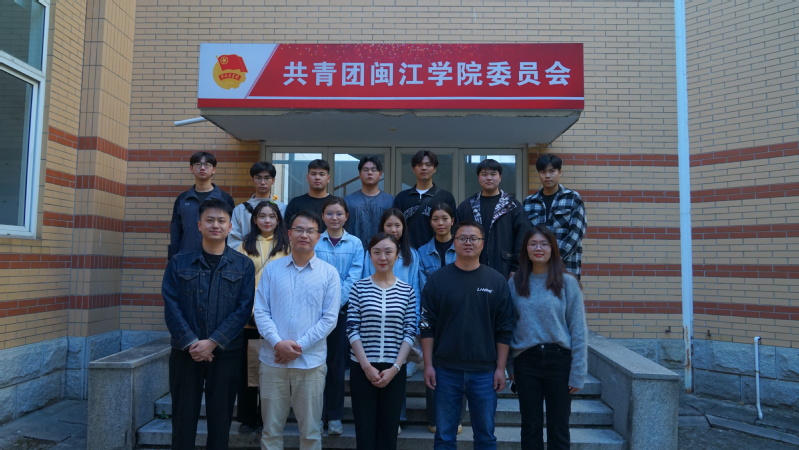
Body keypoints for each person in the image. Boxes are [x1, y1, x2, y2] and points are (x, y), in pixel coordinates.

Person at [162, 198, 255, 450]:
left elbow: (243, 309)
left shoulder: (243, 265)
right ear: (199, 225)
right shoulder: (179, 262)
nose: (216, 225)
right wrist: (193, 343)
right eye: (210, 220)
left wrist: (213, 342)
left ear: (230, 226)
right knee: (183, 418)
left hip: (226, 352)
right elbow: (171, 306)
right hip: (185, 352)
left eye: (221, 221)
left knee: (220, 419)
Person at [420, 220, 515, 450]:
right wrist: (428, 365)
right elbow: (427, 326)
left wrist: (500, 368)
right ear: (454, 242)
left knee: (485, 437)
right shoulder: (437, 280)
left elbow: (504, 329)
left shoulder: (496, 281)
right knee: (444, 437)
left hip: (484, 371)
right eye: (462, 238)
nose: (468, 243)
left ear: (483, 243)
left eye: (474, 238)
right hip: (445, 370)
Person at [253, 210, 341, 450]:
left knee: (311, 432)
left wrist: (297, 347)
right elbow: (261, 311)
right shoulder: (272, 270)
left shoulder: (329, 273)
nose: (304, 235)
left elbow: (329, 319)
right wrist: (277, 343)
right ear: (289, 234)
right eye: (299, 230)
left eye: (310, 231)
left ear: (318, 237)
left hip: (310, 363)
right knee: (270, 431)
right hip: (273, 361)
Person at [508, 224, 588, 450]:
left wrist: (578, 372)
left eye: (544, 243)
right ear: (525, 249)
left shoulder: (568, 282)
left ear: (553, 248)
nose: (538, 248)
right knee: (530, 425)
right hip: (526, 361)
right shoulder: (515, 283)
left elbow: (578, 329)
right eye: (533, 244)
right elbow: (509, 327)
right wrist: (510, 365)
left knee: (559, 426)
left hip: (560, 361)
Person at [347, 232, 417, 450]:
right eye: (376, 252)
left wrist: (396, 367)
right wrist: (366, 366)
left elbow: (409, 331)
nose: (382, 257)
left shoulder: (407, 291)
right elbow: (352, 328)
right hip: (362, 367)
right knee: (364, 431)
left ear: (397, 255)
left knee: (389, 431)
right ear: (370, 255)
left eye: (388, 252)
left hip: (394, 368)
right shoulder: (359, 288)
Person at [362, 208, 422, 431]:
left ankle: (396, 418)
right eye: (389, 225)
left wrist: (414, 321)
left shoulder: (411, 254)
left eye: (398, 225)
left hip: (400, 321)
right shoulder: (371, 252)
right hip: (373, 319)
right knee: (374, 369)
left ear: (404, 228)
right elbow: (364, 279)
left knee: (398, 368)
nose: (393, 229)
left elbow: (415, 287)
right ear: (382, 227)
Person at [234, 201, 291, 434]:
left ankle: (269, 419)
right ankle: (248, 419)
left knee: (274, 370)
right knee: (250, 371)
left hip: (278, 318)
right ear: (255, 220)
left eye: (272, 216)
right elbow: (238, 281)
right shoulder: (244, 245)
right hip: (250, 318)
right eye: (262, 216)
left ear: (278, 220)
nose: (267, 220)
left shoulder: (286, 246)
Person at [314, 196, 365, 436]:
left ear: (347, 217)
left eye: (339, 214)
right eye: (329, 213)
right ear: (322, 217)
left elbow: (355, 277)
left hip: (342, 313)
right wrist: (323, 306)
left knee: (335, 367)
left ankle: (334, 416)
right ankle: (315, 416)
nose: (334, 218)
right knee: (314, 364)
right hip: (314, 313)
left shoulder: (355, 244)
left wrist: (334, 305)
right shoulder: (314, 240)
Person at [416, 202, 464, 434]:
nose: (440, 223)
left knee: (459, 367)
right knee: (433, 366)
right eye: (436, 219)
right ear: (430, 223)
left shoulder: (462, 246)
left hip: (460, 316)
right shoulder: (421, 252)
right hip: (433, 317)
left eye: (445, 218)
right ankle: (434, 418)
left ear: (452, 221)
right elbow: (422, 288)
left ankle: (457, 417)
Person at [457, 159, 531, 279]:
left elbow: (523, 238)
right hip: (470, 268)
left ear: (500, 177)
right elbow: (456, 238)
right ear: (478, 177)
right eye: (484, 174)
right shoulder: (467, 206)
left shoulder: (512, 206)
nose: (489, 178)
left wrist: (516, 268)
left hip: (504, 269)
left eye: (493, 174)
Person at [523, 154, 587, 278]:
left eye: (552, 171)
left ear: (560, 172)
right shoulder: (529, 202)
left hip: (566, 267)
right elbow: (526, 236)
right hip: (536, 269)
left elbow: (576, 234)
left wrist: (552, 258)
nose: (547, 176)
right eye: (543, 172)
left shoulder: (573, 198)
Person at [168, 151, 235, 259]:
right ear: (191, 168)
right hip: (186, 257)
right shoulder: (182, 199)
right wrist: (173, 257)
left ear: (214, 169)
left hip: (217, 258)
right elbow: (175, 231)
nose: (202, 168)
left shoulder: (225, 199)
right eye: (198, 164)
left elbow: (231, 231)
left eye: (207, 165)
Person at [393, 150, 457, 249]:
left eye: (428, 165)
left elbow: (453, 228)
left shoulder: (445, 196)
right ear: (413, 169)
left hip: (436, 251)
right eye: (419, 165)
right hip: (408, 251)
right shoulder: (402, 197)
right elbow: (395, 226)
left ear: (434, 169)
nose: (424, 168)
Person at [229, 161, 287, 250]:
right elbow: (233, 240)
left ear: (273, 180)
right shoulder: (240, 210)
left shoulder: (282, 208)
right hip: (246, 255)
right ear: (252, 179)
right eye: (258, 178)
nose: (262, 182)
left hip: (277, 254)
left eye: (267, 178)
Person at [344, 156, 394, 247]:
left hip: (383, 250)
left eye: (373, 170)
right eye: (366, 170)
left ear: (380, 174)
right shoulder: (348, 201)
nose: (370, 173)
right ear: (359, 174)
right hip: (353, 250)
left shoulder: (390, 201)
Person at [285, 159, 331, 233]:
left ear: (328, 178)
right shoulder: (295, 203)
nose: (317, 177)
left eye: (322, 174)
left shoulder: (335, 204)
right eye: (313, 174)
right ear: (307, 177)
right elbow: (287, 230)